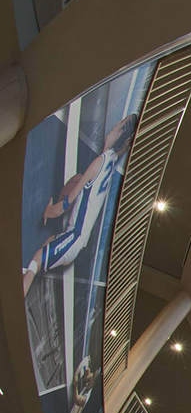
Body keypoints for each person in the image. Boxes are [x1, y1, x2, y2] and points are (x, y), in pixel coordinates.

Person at [23, 114, 139, 297]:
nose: (115, 123)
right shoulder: (112, 160)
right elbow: (120, 150)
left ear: (119, 136)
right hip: (75, 240)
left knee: (35, 262)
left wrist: (48, 211)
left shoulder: (100, 162)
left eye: (119, 125)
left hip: (73, 238)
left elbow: (64, 205)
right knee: (50, 239)